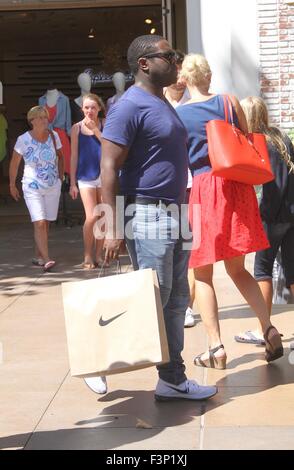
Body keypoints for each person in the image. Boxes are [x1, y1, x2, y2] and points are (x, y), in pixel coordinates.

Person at [100, 35, 217, 401]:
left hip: (176, 210)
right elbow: (108, 166)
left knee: (176, 298)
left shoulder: (160, 102)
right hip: (147, 211)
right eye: (170, 56)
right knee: (153, 298)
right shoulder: (128, 105)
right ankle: (104, 358)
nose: (177, 61)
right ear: (144, 63)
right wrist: (111, 226)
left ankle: (171, 379)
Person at [176, 54, 283, 368]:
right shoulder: (228, 102)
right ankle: (269, 328)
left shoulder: (179, 115)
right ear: (207, 76)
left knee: (203, 274)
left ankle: (216, 347)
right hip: (235, 186)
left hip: (205, 189)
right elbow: (245, 140)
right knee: (238, 270)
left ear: (184, 80)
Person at [234, 96, 294, 344]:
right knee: (292, 273)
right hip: (291, 214)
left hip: (272, 217)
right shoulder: (281, 137)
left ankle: (263, 329)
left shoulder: (258, 142)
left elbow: (270, 187)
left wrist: (261, 215)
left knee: (262, 271)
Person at [9, 106, 64, 271]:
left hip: (52, 185)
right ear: (31, 120)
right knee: (39, 221)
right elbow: (14, 164)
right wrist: (12, 184)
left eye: (45, 117)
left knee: (45, 222)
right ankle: (46, 258)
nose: (43, 120)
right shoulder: (23, 139)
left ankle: (39, 255)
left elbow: (61, 157)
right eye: (39, 117)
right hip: (32, 186)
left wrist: (60, 178)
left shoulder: (54, 136)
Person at [164, 49, 196, 328]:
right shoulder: (157, 100)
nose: (179, 76)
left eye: (182, 70)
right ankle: (171, 304)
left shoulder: (195, 102)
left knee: (188, 246)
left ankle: (186, 305)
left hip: (192, 183)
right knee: (169, 248)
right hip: (164, 187)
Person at [70, 93, 106, 269]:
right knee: (92, 215)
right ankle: (87, 255)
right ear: (82, 109)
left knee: (103, 215)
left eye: (93, 107)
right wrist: (72, 182)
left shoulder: (105, 124)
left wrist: (96, 130)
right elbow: (74, 155)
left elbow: (109, 145)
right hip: (85, 176)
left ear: (99, 108)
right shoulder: (76, 128)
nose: (90, 110)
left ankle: (99, 256)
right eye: (86, 107)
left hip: (105, 175)